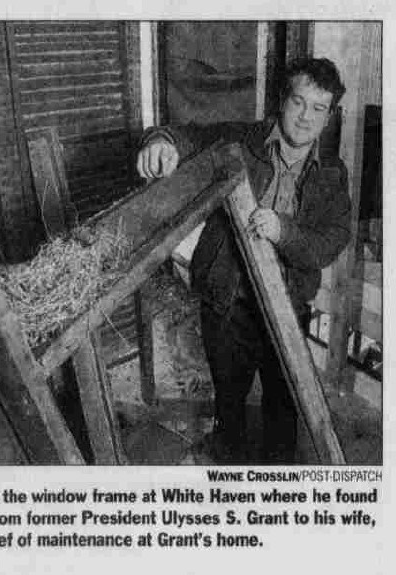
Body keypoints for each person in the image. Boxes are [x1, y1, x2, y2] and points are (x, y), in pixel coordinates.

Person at [137, 57, 351, 464]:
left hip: (287, 307)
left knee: (284, 406)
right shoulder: (239, 140)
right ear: (281, 101)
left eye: (318, 108)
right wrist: (160, 141)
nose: (306, 117)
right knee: (229, 401)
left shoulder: (332, 175)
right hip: (227, 300)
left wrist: (284, 231)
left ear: (329, 116)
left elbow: (330, 241)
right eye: (298, 102)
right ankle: (229, 471)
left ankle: (276, 485)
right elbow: (187, 138)